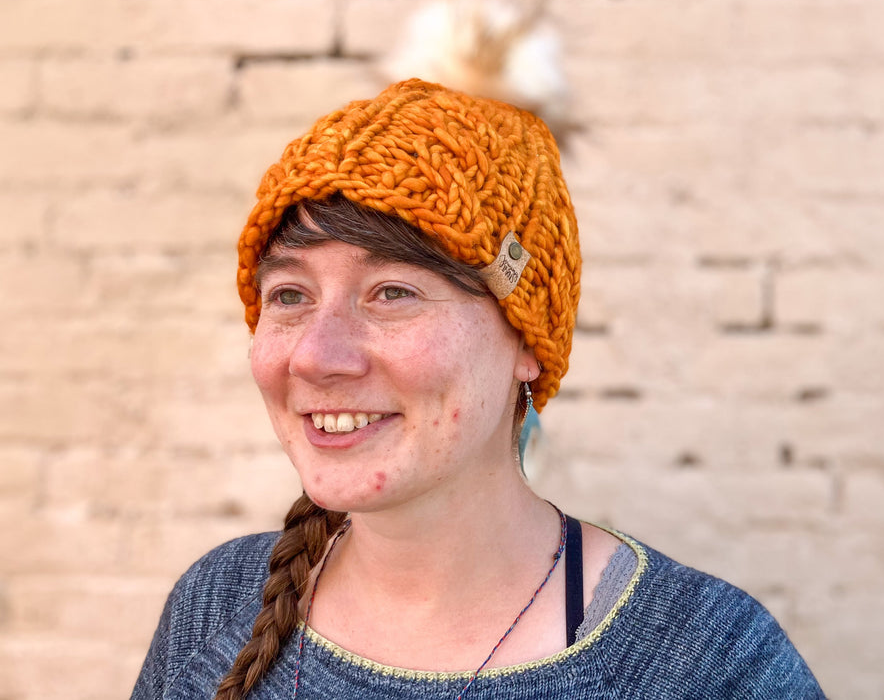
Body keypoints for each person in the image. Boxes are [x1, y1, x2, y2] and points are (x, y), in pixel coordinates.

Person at [131, 79, 825, 699]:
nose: (317, 354)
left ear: (526, 338)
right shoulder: (216, 605)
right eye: (289, 294)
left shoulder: (703, 665)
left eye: (392, 291)